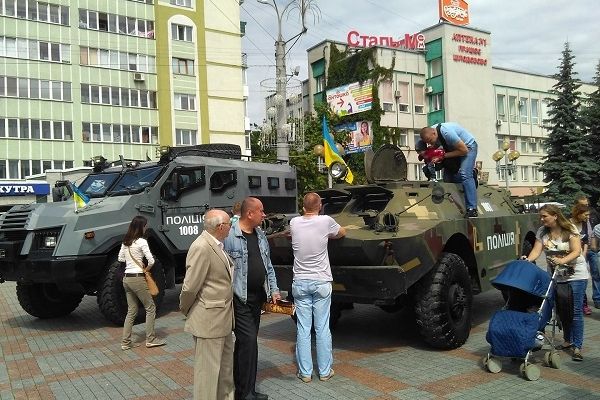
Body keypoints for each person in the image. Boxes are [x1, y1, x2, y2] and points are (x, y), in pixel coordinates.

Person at [223, 197, 281, 400]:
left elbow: (268, 266)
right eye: (261, 211)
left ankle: (245, 389)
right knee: (248, 341)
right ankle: (245, 393)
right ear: (249, 213)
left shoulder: (260, 234)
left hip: (257, 297)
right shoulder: (230, 236)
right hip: (239, 298)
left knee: (245, 343)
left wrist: (274, 290)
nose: (264, 215)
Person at [290, 193, 346, 383]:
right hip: (321, 281)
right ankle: (324, 371)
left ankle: (305, 373)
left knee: (303, 328)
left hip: (300, 281)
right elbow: (341, 232)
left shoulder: (294, 223)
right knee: (322, 327)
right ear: (320, 206)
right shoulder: (325, 221)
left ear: (303, 207)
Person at [180, 209, 234, 400]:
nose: (231, 227)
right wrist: (186, 309)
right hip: (209, 321)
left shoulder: (217, 245)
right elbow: (190, 287)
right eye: (229, 224)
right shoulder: (201, 246)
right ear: (220, 227)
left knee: (225, 373)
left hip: (223, 320)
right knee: (208, 377)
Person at [524, 204, 589, 361]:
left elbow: (577, 251)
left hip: (576, 275)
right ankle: (567, 340)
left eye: (544, 216)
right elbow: (536, 250)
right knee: (561, 310)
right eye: (540, 216)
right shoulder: (542, 231)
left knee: (575, 311)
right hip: (555, 276)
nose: (541, 219)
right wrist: (527, 260)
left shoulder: (570, 229)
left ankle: (577, 346)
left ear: (555, 216)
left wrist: (562, 260)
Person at [118, 216, 165, 351]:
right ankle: (150, 339)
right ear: (141, 227)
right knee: (150, 307)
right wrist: (146, 269)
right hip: (137, 278)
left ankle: (126, 342)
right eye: (145, 226)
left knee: (131, 310)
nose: (146, 228)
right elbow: (151, 261)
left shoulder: (125, 242)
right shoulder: (142, 242)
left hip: (126, 278)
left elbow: (120, 258)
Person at [419, 123, 478, 217]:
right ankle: (453, 208)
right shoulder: (428, 133)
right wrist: (426, 155)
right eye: (428, 143)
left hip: (468, 147)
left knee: (465, 174)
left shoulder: (447, 133)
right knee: (448, 179)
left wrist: (442, 156)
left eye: (430, 141)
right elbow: (421, 144)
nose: (431, 144)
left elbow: (464, 151)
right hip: (453, 148)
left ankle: (472, 208)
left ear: (434, 133)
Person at [575, 195, 600, 309]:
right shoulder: (573, 219)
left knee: (597, 274)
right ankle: (583, 301)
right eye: (583, 205)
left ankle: (597, 299)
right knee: (582, 276)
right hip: (580, 250)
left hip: (593, 249)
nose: (586, 207)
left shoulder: (593, 213)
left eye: (587, 205)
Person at [569, 202, 593, 316]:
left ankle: (584, 304)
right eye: (586, 214)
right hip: (570, 257)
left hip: (582, 257)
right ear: (578, 213)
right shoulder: (568, 224)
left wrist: (583, 254)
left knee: (583, 280)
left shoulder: (584, 223)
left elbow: (586, 240)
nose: (588, 217)